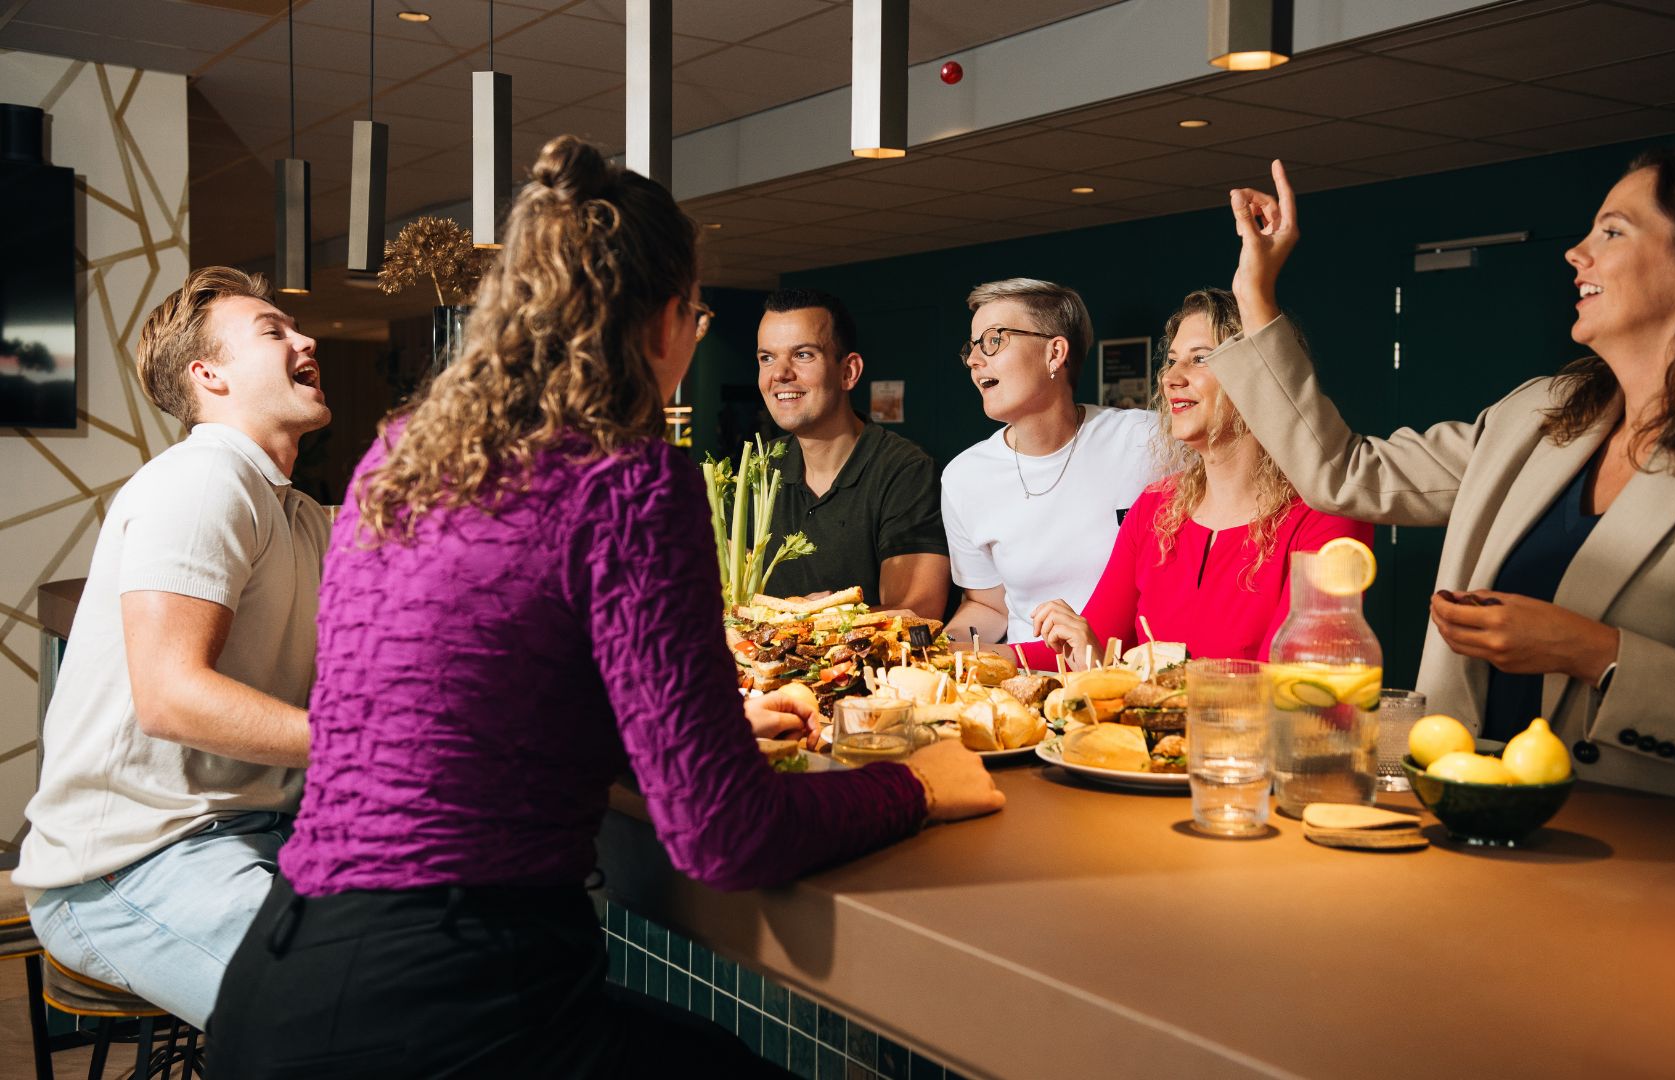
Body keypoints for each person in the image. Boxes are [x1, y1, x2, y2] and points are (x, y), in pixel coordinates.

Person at [207, 136, 1003, 1077]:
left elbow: (478, 696)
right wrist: (912, 786)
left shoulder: (402, 459)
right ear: (665, 322)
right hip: (449, 1006)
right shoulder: (628, 482)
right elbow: (725, 835)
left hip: (280, 982)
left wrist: (700, 726)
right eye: (697, 316)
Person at [1211, 151, 1675, 826]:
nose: (1577, 252)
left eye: (1612, 231)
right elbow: (1346, 474)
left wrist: (1596, 653)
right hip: (1483, 834)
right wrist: (1255, 292)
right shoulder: (1536, 419)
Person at [15, 267, 331, 1027]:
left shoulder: (296, 513)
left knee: (443, 977)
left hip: (257, 833)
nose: (305, 338)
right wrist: (368, 745)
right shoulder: (201, 481)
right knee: (350, 1020)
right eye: (273, 331)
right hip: (132, 867)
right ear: (207, 374)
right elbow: (171, 695)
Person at [1023, 289, 1372, 668]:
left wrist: (1122, 673)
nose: (1171, 378)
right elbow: (1091, 645)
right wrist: (961, 653)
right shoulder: (1154, 508)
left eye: (1200, 359)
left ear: (1264, 376)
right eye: (1171, 361)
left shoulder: (1326, 513)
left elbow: (1290, 680)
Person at [943, 278, 1164, 645]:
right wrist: (944, 646)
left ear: (1055, 353)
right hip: (1028, 678)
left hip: (1132, 676)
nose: (973, 359)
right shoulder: (964, 477)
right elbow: (990, 608)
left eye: (993, 341)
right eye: (972, 346)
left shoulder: (1149, 440)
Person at [756, 287, 949, 618]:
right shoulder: (759, 467)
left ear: (848, 372)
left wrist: (813, 622)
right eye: (767, 358)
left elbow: (918, 608)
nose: (779, 374)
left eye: (802, 355)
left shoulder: (904, 470)